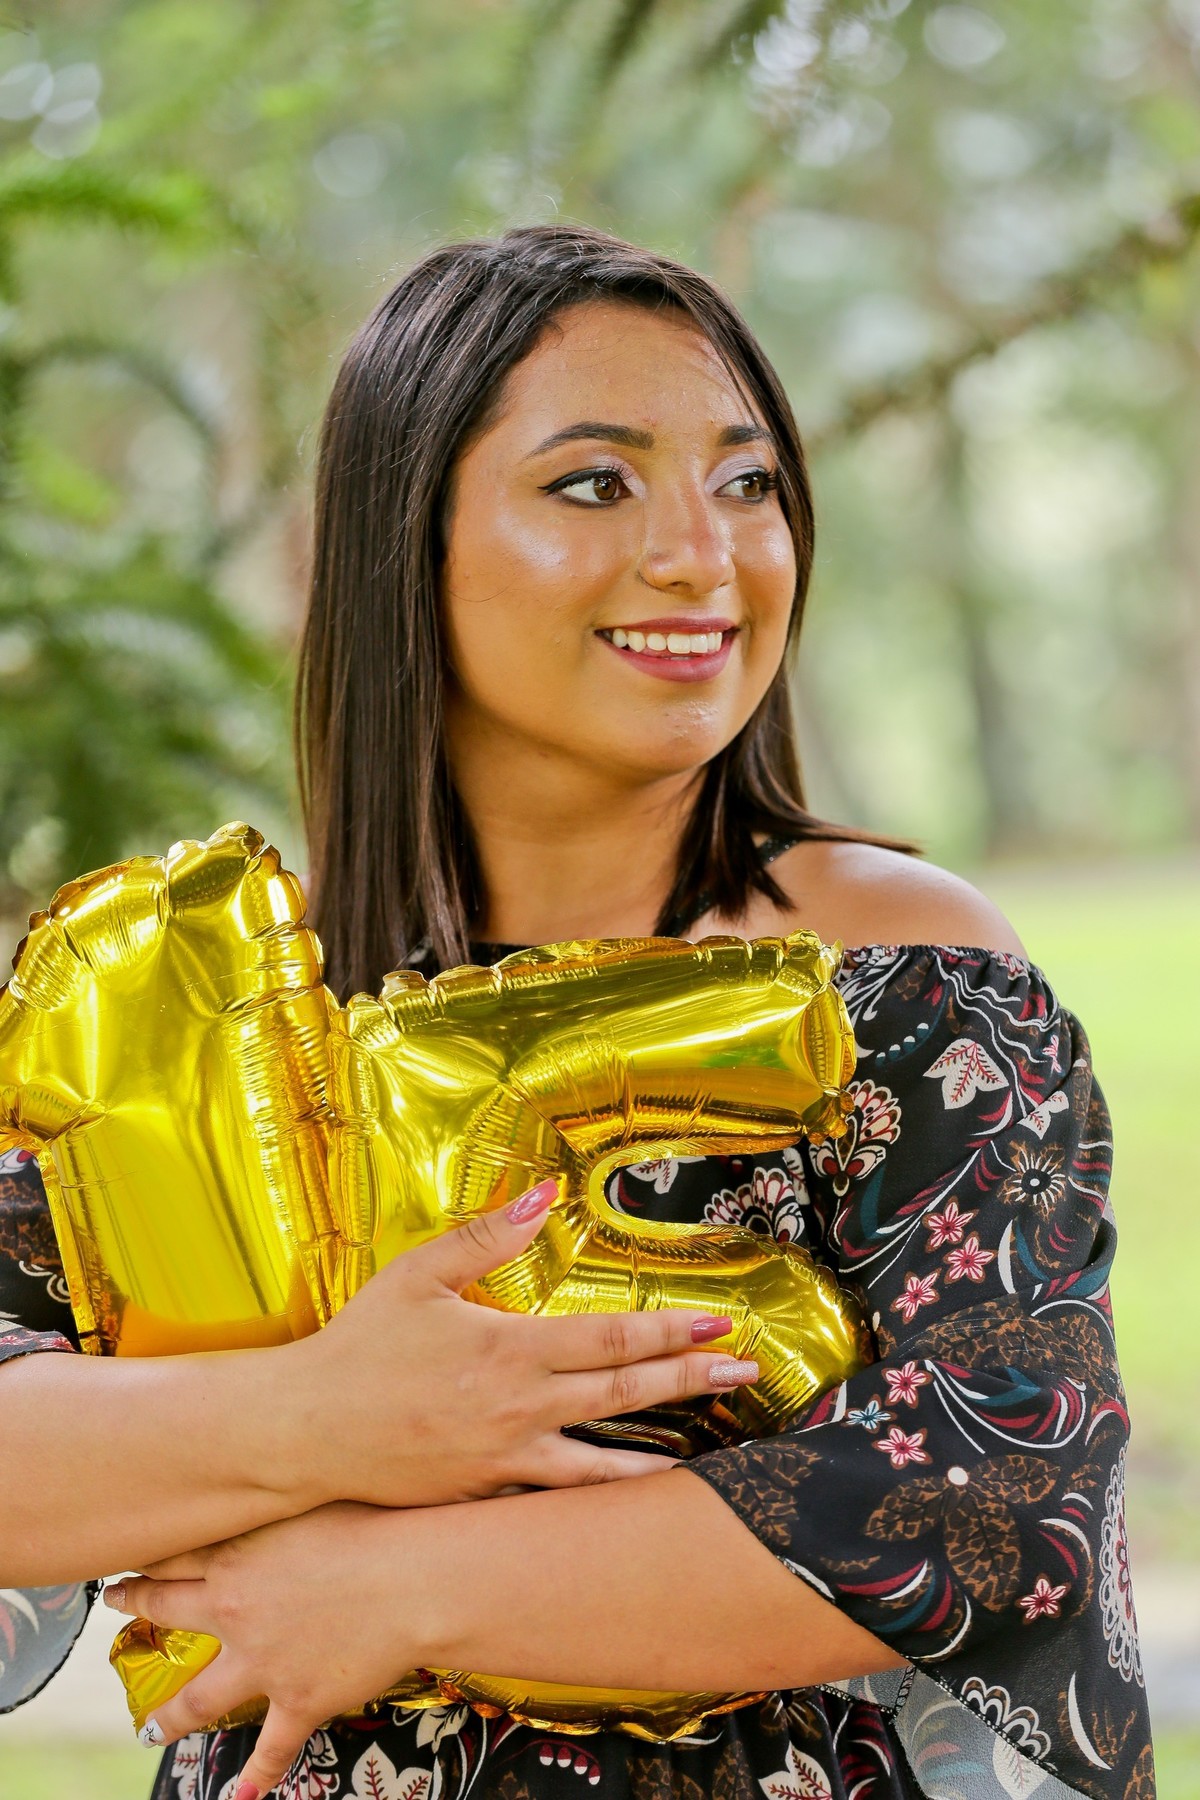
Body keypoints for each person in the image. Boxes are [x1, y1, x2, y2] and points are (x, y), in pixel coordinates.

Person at [0, 225, 1153, 1800]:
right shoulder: (202, 1001)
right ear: (402, 541)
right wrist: (318, 1419)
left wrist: (392, 1590)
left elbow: (998, 1503)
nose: (701, 554)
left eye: (747, 483)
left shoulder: (898, 977)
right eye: (596, 484)